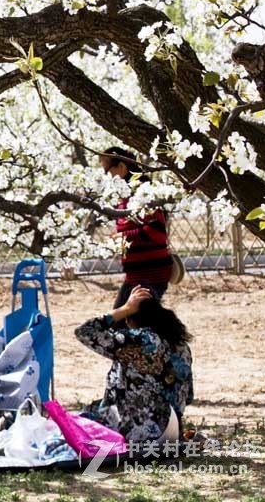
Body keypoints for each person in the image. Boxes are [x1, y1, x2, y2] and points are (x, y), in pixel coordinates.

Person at [75, 286, 194, 444]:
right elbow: (188, 396)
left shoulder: (139, 341)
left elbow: (84, 331)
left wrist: (124, 309)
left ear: (130, 318)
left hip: (140, 435)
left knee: (77, 423)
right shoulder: (181, 346)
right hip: (172, 433)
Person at [100, 147, 174, 308]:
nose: (107, 176)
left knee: (125, 318)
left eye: (107, 170)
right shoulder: (126, 196)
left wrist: (124, 237)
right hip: (136, 275)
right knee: (121, 317)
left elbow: (156, 231)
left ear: (121, 167)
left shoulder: (143, 193)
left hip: (151, 274)